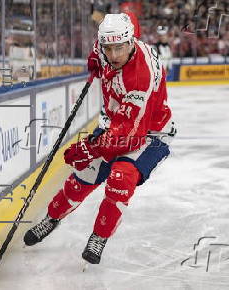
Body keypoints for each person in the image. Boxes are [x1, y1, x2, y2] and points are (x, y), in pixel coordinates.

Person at [23, 13, 176, 265]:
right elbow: (115, 31)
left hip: (149, 132)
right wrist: (95, 58)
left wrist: (87, 148)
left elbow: (128, 137)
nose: (114, 55)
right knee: (81, 179)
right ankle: (51, 218)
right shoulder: (107, 44)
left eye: (119, 48)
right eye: (108, 49)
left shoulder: (140, 77)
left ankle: (99, 236)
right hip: (116, 125)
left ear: (131, 42)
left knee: (121, 177)